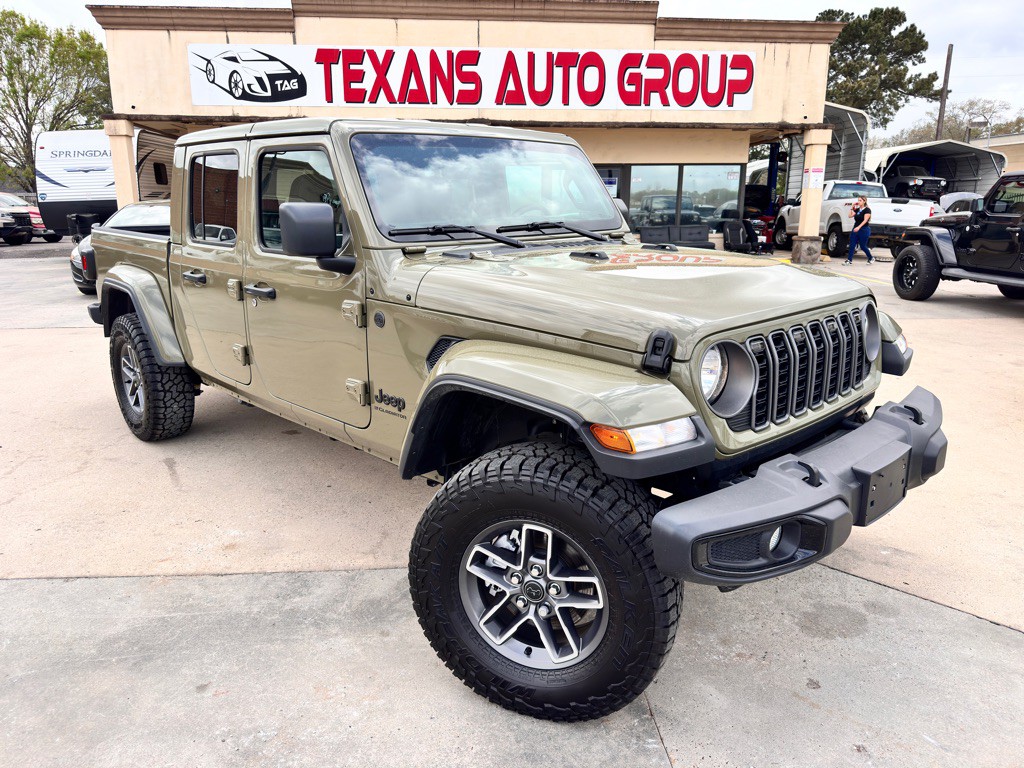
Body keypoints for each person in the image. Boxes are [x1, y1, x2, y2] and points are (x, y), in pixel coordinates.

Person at [844, 195, 873, 265]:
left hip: (863, 229)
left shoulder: (867, 210)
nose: (858, 202)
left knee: (863, 246)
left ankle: (871, 258)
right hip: (855, 229)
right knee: (852, 244)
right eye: (858, 200)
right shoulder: (857, 210)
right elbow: (850, 216)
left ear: (864, 201)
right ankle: (849, 260)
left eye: (860, 200)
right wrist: (852, 207)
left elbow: (865, 220)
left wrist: (859, 227)